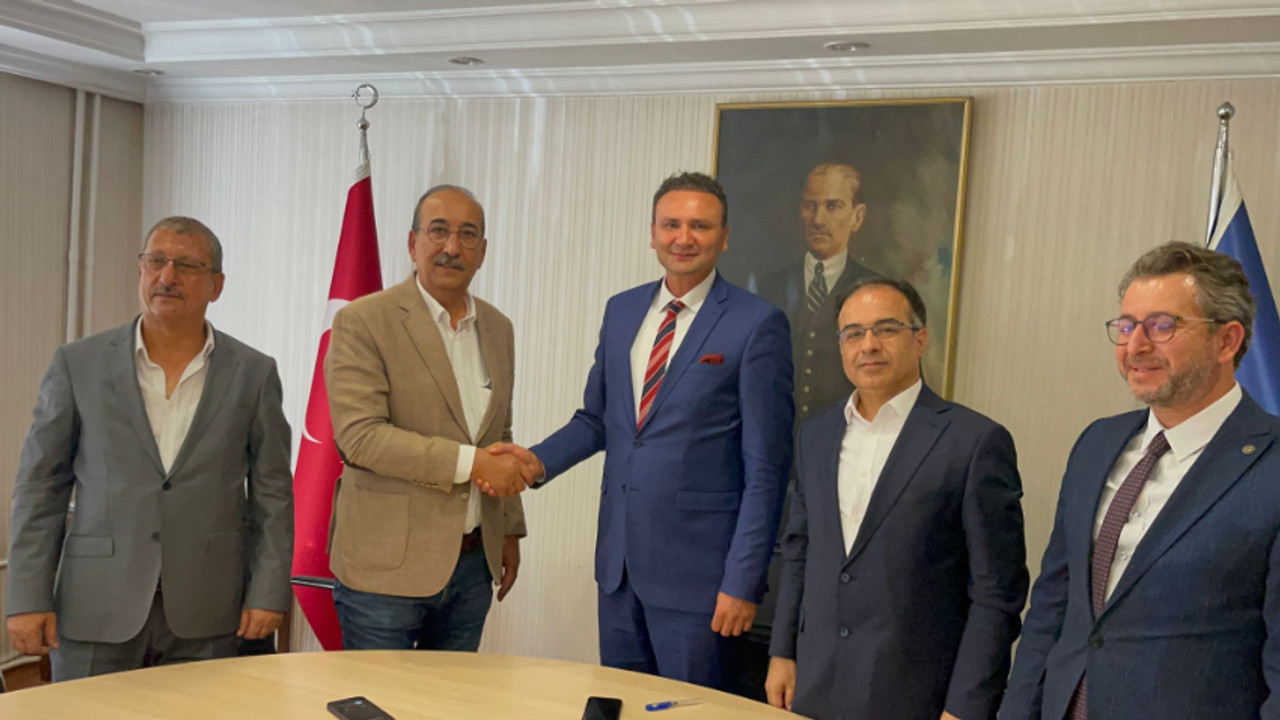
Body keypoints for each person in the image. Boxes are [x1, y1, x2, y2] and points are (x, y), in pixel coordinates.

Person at [487, 172, 794, 689]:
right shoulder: (622, 310)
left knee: (692, 713)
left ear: (724, 237)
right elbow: (598, 419)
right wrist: (535, 462)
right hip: (619, 569)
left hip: (703, 583)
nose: (684, 237)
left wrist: (743, 581)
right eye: (671, 224)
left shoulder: (757, 323)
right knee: (622, 704)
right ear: (652, 233)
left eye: (700, 226)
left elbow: (767, 469)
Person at [1000, 241, 1280, 720]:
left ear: (1227, 341)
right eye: (1127, 326)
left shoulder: (1270, 463)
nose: (1135, 346)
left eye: (1162, 326)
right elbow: (1053, 605)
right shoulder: (1097, 443)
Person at [5, 216, 294, 680]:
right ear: (140, 271)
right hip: (96, 606)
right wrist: (26, 596)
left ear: (216, 285)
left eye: (187, 265)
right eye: (156, 261)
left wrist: (268, 592)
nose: (167, 276)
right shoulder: (78, 364)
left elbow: (273, 495)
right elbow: (41, 487)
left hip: (210, 611)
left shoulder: (254, 374)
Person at [765, 277, 1027, 720]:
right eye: (853, 333)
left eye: (886, 329)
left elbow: (997, 592)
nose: (868, 345)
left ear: (920, 340)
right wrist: (782, 652)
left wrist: (966, 706)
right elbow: (799, 551)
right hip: (816, 684)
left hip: (916, 695)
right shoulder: (816, 435)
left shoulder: (974, 442)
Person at [324, 185, 530, 651]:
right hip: (384, 571)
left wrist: (509, 529)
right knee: (377, 694)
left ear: (482, 252)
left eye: (468, 235)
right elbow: (361, 438)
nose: (452, 247)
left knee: (452, 694)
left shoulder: (498, 328)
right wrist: (473, 464)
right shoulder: (363, 320)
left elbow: (499, 436)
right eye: (438, 231)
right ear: (412, 242)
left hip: (472, 566)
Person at [757, 162, 879, 420]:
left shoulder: (877, 292)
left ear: (857, 217)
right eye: (810, 206)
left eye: (833, 206)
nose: (818, 220)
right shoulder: (768, 287)